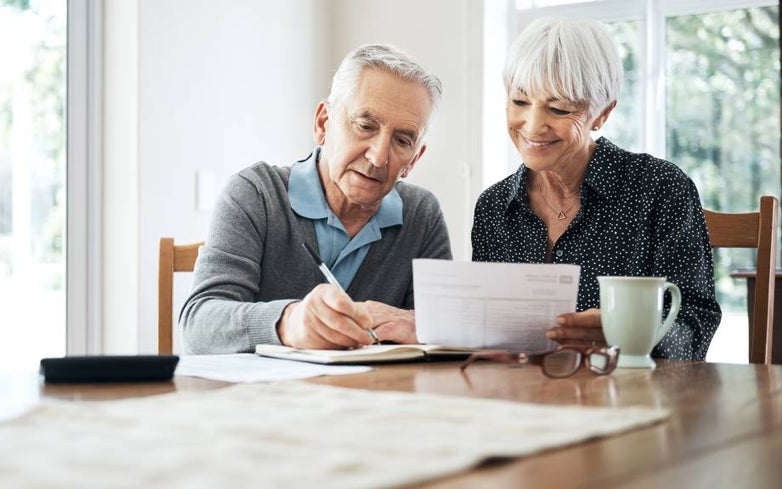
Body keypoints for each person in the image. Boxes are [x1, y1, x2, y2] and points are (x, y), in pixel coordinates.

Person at [471, 18, 721, 360]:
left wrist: (629, 333)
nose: (531, 125)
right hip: (523, 399)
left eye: (559, 108)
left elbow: (695, 326)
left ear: (602, 113)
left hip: (629, 398)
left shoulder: (661, 189)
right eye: (519, 102)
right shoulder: (494, 207)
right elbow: (488, 333)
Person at [180, 44, 452, 354]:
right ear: (323, 124)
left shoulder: (422, 214)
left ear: (413, 160)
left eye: (402, 140)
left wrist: (424, 326)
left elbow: (444, 334)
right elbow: (197, 327)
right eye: (365, 126)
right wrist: (289, 323)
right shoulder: (255, 194)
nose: (378, 157)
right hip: (266, 398)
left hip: (377, 395)